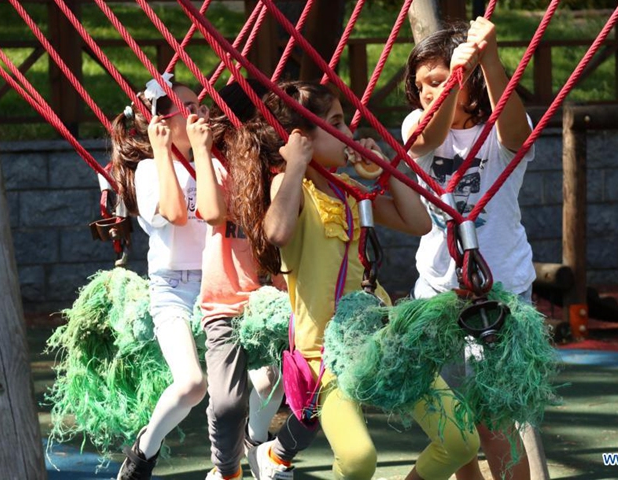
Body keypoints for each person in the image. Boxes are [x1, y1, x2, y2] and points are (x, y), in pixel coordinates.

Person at [229, 80, 480, 480]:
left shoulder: (351, 193)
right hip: (326, 353)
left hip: (380, 337)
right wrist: (294, 164)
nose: (349, 134)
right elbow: (276, 233)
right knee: (360, 459)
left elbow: (417, 222)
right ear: (302, 139)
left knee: (462, 439)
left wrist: (385, 169)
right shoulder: (293, 189)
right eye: (337, 123)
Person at [402, 18, 540, 480]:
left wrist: (490, 58)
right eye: (422, 84)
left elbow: (518, 136)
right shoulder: (416, 126)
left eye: (438, 82)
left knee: (495, 417)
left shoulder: (499, 128)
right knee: (457, 420)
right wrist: (451, 83)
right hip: (440, 290)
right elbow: (427, 139)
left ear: (471, 82)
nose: (428, 92)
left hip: (498, 290)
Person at [109, 75, 213, 480]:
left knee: (263, 376)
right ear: (163, 124)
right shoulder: (151, 169)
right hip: (172, 289)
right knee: (191, 385)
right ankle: (143, 452)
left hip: (218, 284)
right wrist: (161, 149)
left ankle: (259, 452)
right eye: (189, 107)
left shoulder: (215, 160)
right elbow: (176, 213)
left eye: (201, 104)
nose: (200, 111)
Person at [197, 79, 289, 480]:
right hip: (225, 300)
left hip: (270, 299)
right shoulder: (217, 164)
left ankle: (256, 444)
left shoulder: (277, 170)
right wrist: (201, 150)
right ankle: (226, 469)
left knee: (279, 379)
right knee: (227, 403)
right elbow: (214, 213)